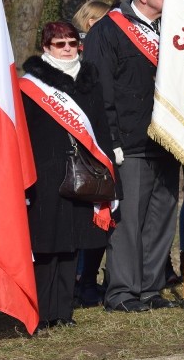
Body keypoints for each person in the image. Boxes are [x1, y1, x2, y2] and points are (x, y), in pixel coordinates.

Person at [84, 0, 180, 312]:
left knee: (160, 219)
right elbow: (100, 91)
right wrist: (112, 142)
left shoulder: (175, 28)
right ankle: (122, 292)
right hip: (129, 142)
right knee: (128, 222)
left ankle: (150, 288)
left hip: (168, 141)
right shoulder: (108, 31)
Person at [20, 21, 115, 330]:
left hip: (82, 173)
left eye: (72, 43)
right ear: (46, 48)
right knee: (45, 245)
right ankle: (42, 312)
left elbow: (100, 125)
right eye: (59, 44)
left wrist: (110, 166)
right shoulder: (31, 85)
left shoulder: (89, 79)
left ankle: (63, 312)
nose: (67, 50)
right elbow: (21, 134)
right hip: (43, 174)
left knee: (71, 243)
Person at [69, 0, 111, 308]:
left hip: (101, 144)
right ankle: (76, 278)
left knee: (103, 214)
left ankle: (89, 280)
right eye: (98, 21)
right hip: (75, 148)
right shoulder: (71, 58)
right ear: (86, 23)